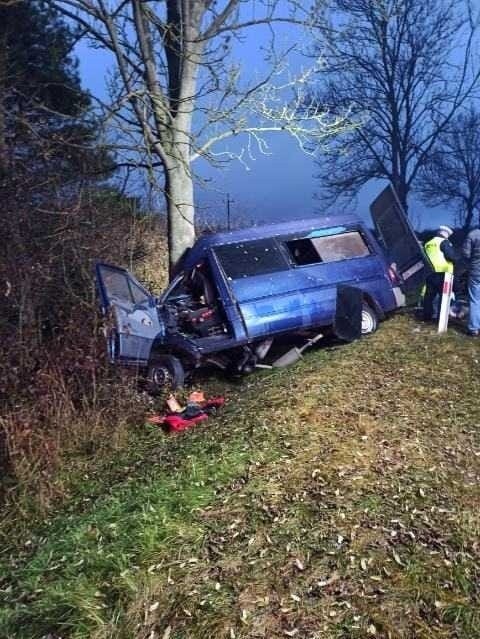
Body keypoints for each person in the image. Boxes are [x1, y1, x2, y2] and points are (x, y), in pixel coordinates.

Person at [422, 225, 457, 322]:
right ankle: (441, 319)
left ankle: (427, 317)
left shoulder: (428, 243)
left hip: (430, 273)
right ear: (445, 234)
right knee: (444, 297)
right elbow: (451, 256)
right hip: (443, 274)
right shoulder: (444, 242)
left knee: (429, 297)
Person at [462, 225, 480, 336]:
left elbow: (466, 254)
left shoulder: (473, 234)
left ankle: (474, 328)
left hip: (476, 271)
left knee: (475, 299)